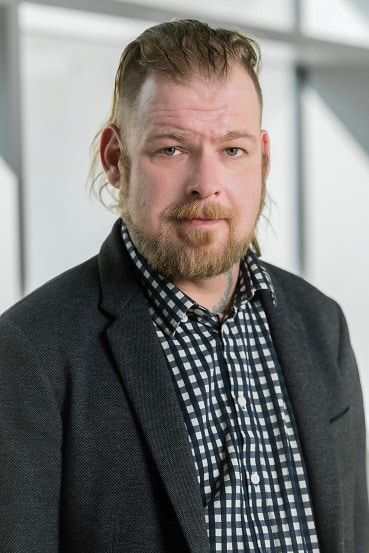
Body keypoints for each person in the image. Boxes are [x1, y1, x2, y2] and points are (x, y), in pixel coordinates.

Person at [0, 19, 367, 553]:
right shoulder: (31, 352)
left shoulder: (321, 325)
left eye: (233, 150)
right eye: (171, 149)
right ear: (115, 159)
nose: (206, 183)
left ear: (263, 159)